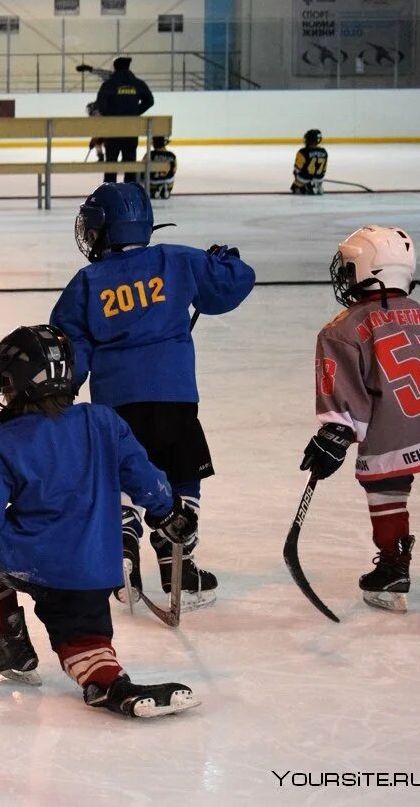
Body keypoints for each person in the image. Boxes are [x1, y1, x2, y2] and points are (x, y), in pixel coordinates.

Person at [0, 325, 201, 719]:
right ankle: (108, 682)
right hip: (96, 569)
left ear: (16, 384)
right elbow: (143, 477)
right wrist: (168, 511)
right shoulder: (105, 422)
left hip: (33, 562)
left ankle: (13, 643)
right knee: (85, 642)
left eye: (5, 379)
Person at [49, 182, 255, 612]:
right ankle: (178, 557)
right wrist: (226, 260)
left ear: (104, 229)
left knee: (124, 472)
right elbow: (233, 284)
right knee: (182, 472)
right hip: (175, 399)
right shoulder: (175, 259)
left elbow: (72, 350)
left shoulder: (87, 283)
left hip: (118, 407)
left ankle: (123, 539)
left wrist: (60, 395)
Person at [301, 226, 420, 613]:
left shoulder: (341, 329)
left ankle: (393, 568)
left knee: (386, 485)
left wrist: (334, 437)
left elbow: (346, 400)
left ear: (366, 270)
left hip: (395, 428)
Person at [94, 56, 154, 183]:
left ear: (115, 67)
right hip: (131, 131)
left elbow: (100, 105)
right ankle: (130, 192)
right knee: (130, 163)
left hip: (112, 131)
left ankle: (109, 191)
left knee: (111, 164)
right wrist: (136, 111)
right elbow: (149, 101)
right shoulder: (138, 83)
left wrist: (110, 114)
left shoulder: (109, 84)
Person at [291, 129, 328, 195]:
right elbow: (324, 170)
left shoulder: (303, 152)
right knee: (317, 179)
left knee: (294, 188)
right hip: (319, 179)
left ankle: (307, 188)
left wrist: (295, 174)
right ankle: (316, 185)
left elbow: (297, 169)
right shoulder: (324, 152)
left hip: (304, 179)